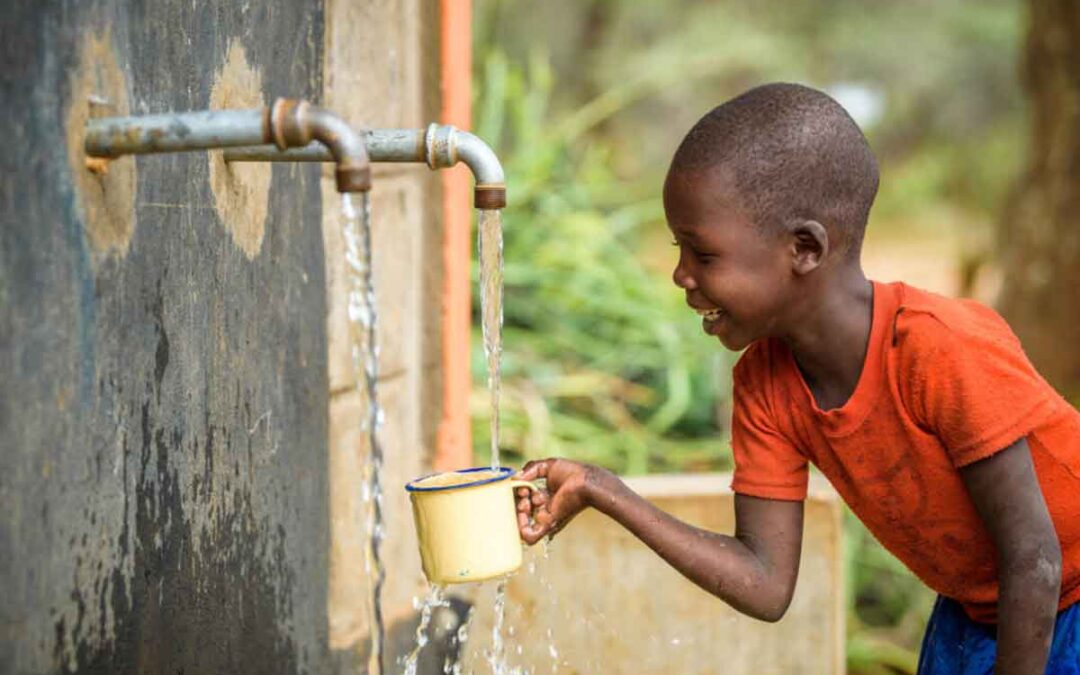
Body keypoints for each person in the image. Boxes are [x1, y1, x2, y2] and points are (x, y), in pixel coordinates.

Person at [514, 83, 1080, 674]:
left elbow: (1032, 555)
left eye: (702, 255)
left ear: (804, 248)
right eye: (678, 249)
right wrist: (604, 490)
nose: (681, 275)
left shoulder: (940, 347)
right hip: (981, 613)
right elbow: (765, 583)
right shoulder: (765, 385)